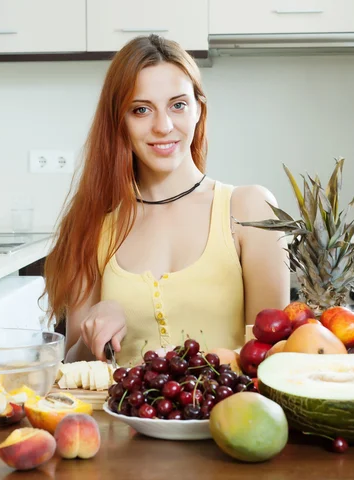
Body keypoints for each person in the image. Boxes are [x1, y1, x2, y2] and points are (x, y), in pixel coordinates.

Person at [43, 34, 289, 367]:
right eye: (141, 110)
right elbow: (74, 368)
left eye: (178, 105)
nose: (164, 126)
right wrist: (95, 332)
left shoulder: (249, 210)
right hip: (123, 419)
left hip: (228, 418)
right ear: (120, 122)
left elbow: (272, 357)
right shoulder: (92, 223)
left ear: (198, 110)